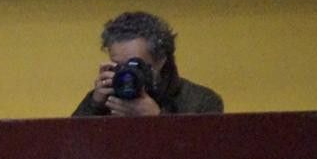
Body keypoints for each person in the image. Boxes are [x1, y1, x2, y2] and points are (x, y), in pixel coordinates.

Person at [72, 11, 223, 117]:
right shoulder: (106, 99)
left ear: (161, 61)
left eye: (135, 65)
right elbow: (69, 146)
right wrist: (94, 105)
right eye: (119, 66)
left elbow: (202, 150)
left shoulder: (201, 101)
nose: (127, 74)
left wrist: (158, 118)